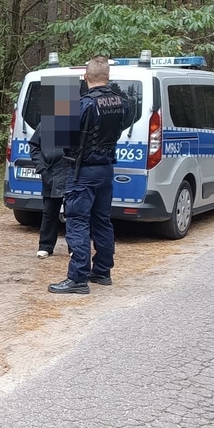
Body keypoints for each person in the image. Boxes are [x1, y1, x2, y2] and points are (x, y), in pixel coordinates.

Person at [48, 56, 132, 295]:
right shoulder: (123, 103)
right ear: (108, 77)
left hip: (82, 170)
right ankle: (103, 271)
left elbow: (59, 138)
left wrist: (59, 101)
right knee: (102, 221)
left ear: (86, 78)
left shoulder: (82, 104)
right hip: (106, 169)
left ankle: (77, 278)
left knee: (77, 221)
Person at [28, 127, 67, 259]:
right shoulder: (47, 123)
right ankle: (45, 246)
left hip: (71, 174)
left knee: (74, 213)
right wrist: (42, 169)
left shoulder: (78, 121)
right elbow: (34, 146)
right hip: (51, 174)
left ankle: (75, 248)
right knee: (49, 212)